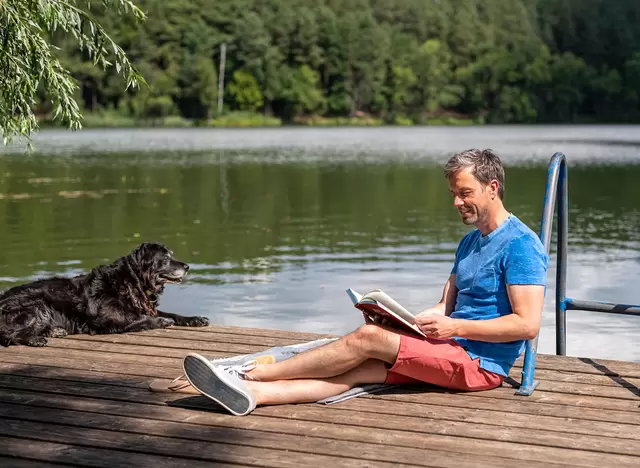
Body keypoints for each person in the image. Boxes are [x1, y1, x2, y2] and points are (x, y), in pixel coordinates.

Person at [182, 148, 549, 416]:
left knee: (368, 340)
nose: (456, 201)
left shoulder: (520, 245)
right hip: (449, 347)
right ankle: (253, 394)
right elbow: (446, 305)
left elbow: (527, 324)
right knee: (363, 368)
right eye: (453, 193)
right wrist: (407, 321)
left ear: (492, 188)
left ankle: (249, 372)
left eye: (464, 193)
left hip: (478, 364)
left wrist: (454, 326)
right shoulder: (470, 242)